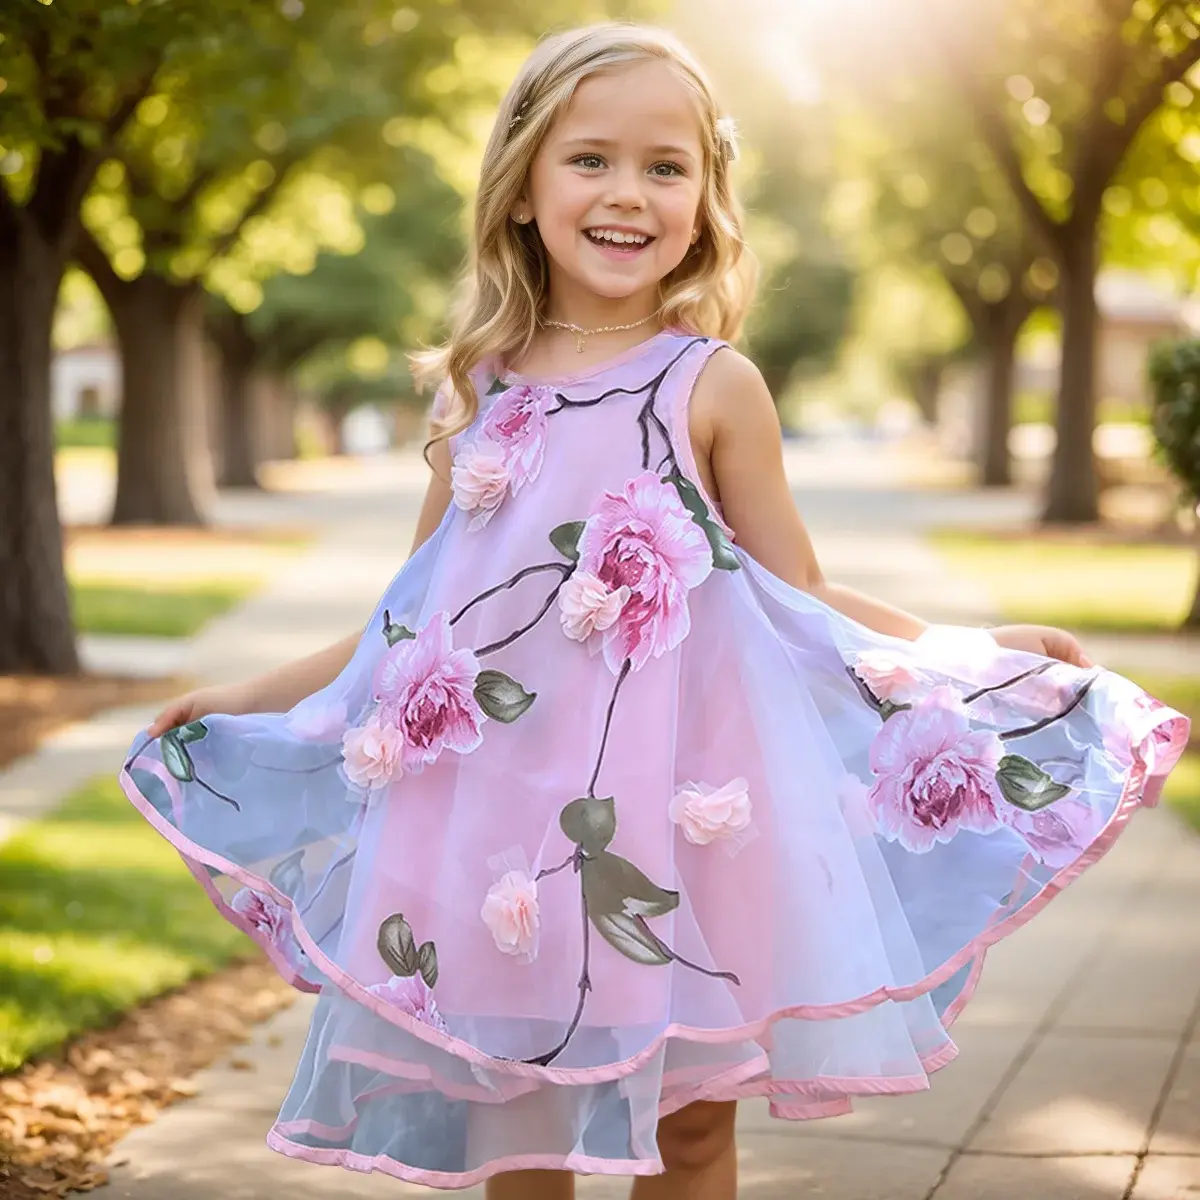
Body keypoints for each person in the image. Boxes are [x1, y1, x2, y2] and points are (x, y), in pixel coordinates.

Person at [120, 21, 1190, 1199]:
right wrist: (247, 695)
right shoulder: (483, 390)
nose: (628, 194)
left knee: (690, 1127)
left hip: (689, 824)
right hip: (506, 831)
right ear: (524, 185)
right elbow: (410, 623)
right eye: (591, 160)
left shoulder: (710, 385)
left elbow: (801, 595)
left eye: (664, 167)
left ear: (704, 198)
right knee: (517, 1111)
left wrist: (965, 652)